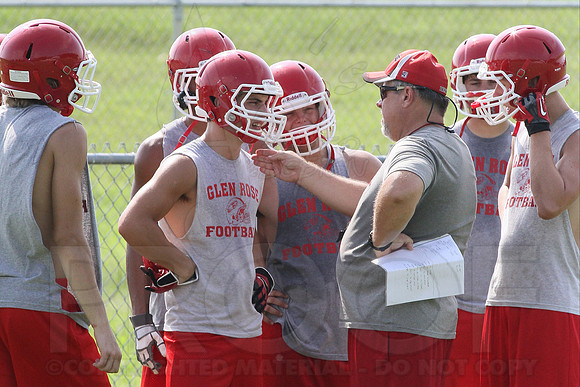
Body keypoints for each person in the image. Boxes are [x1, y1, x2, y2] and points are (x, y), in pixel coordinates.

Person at [253, 49, 477, 387]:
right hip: (407, 317)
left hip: (393, 325)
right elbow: (372, 201)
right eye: (290, 114)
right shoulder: (452, 143)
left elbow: (397, 192)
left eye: (383, 93)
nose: (377, 103)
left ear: (406, 96)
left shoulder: (412, 148)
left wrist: (379, 239)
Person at [119, 49, 286, 386]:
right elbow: (132, 221)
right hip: (197, 331)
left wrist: (260, 269)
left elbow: (247, 228)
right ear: (217, 101)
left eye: (265, 103)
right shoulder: (186, 163)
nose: (263, 113)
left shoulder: (252, 164)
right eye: (254, 102)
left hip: (247, 326)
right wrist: (181, 265)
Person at [0, 19, 121, 386]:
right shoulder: (64, 133)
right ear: (51, 78)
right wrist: (101, 324)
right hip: (41, 306)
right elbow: (68, 239)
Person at [258, 60, 382, 386]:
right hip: (290, 334)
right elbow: (247, 240)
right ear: (271, 120)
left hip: (359, 333)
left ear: (323, 106)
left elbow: (390, 220)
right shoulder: (262, 177)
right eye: (288, 114)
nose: (301, 122)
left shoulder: (358, 166)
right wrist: (255, 282)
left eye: (309, 109)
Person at [125, 27, 235, 387]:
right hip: (177, 310)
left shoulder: (249, 140)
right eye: (195, 79)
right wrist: (141, 321)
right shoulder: (160, 148)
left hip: (240, 307)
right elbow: (137, 237)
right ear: (178, 84)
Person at [474, 25, 579, 386]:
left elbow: (550, 203)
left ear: (530, 83)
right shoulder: (522, 130)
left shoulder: (572, 134)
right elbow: (506, 189)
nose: (491, 92)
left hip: (551, 302)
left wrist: (538, 128)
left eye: (498, 82)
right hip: (504, 293)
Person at [445, 33, 514, 386]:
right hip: (451, 305)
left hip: (506, 301)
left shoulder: (528, 141)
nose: (485, 88)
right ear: (458, 84)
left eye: (494, 79)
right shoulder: (444, 142)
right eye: (474, 80)